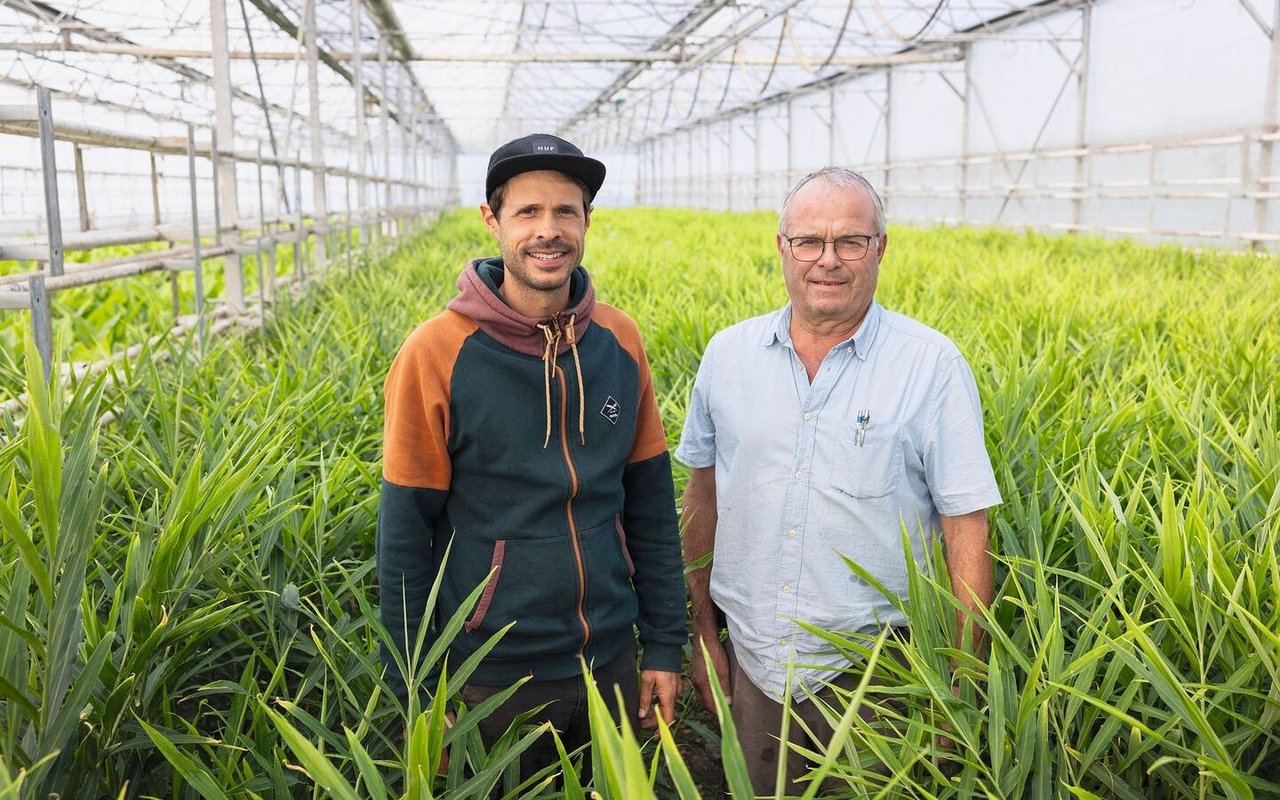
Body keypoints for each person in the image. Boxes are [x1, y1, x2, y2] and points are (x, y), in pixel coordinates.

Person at [676, 167, 1001, 793]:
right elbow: (702, 497)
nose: (829, 260)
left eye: (850, 241)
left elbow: (967, 526)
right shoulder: (728, 355)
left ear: (880, 248)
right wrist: (701, 632)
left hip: (880, 673)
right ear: (781, 247)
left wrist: (962, 681)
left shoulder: (931, 365)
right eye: (809, 242)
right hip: (755, 661)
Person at [377, 133, 687, 776]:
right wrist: (418, 689)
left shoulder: (618, 341)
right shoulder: (436, 353)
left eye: (565, 211)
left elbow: (653, 509)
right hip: (490, 676)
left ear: (587, 220)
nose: (549, 231)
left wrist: (663, 644)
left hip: (611, 661)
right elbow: (404, 536)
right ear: (492, 220)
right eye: (527, 212)